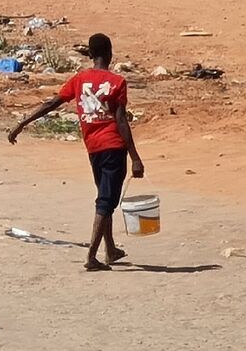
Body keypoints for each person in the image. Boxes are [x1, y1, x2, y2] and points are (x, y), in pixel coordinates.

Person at [8, 33, 145, 271]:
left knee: (105, 197)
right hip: (113, 146)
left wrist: (22, 123)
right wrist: (135, 157)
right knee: (106, 201)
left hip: (93, 148)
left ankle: (110, 250)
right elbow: (121, 121)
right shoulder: (117, 82)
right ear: (110, 54)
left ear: (90, 55)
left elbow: (52, 103)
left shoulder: (80, 79)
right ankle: (92, 256)